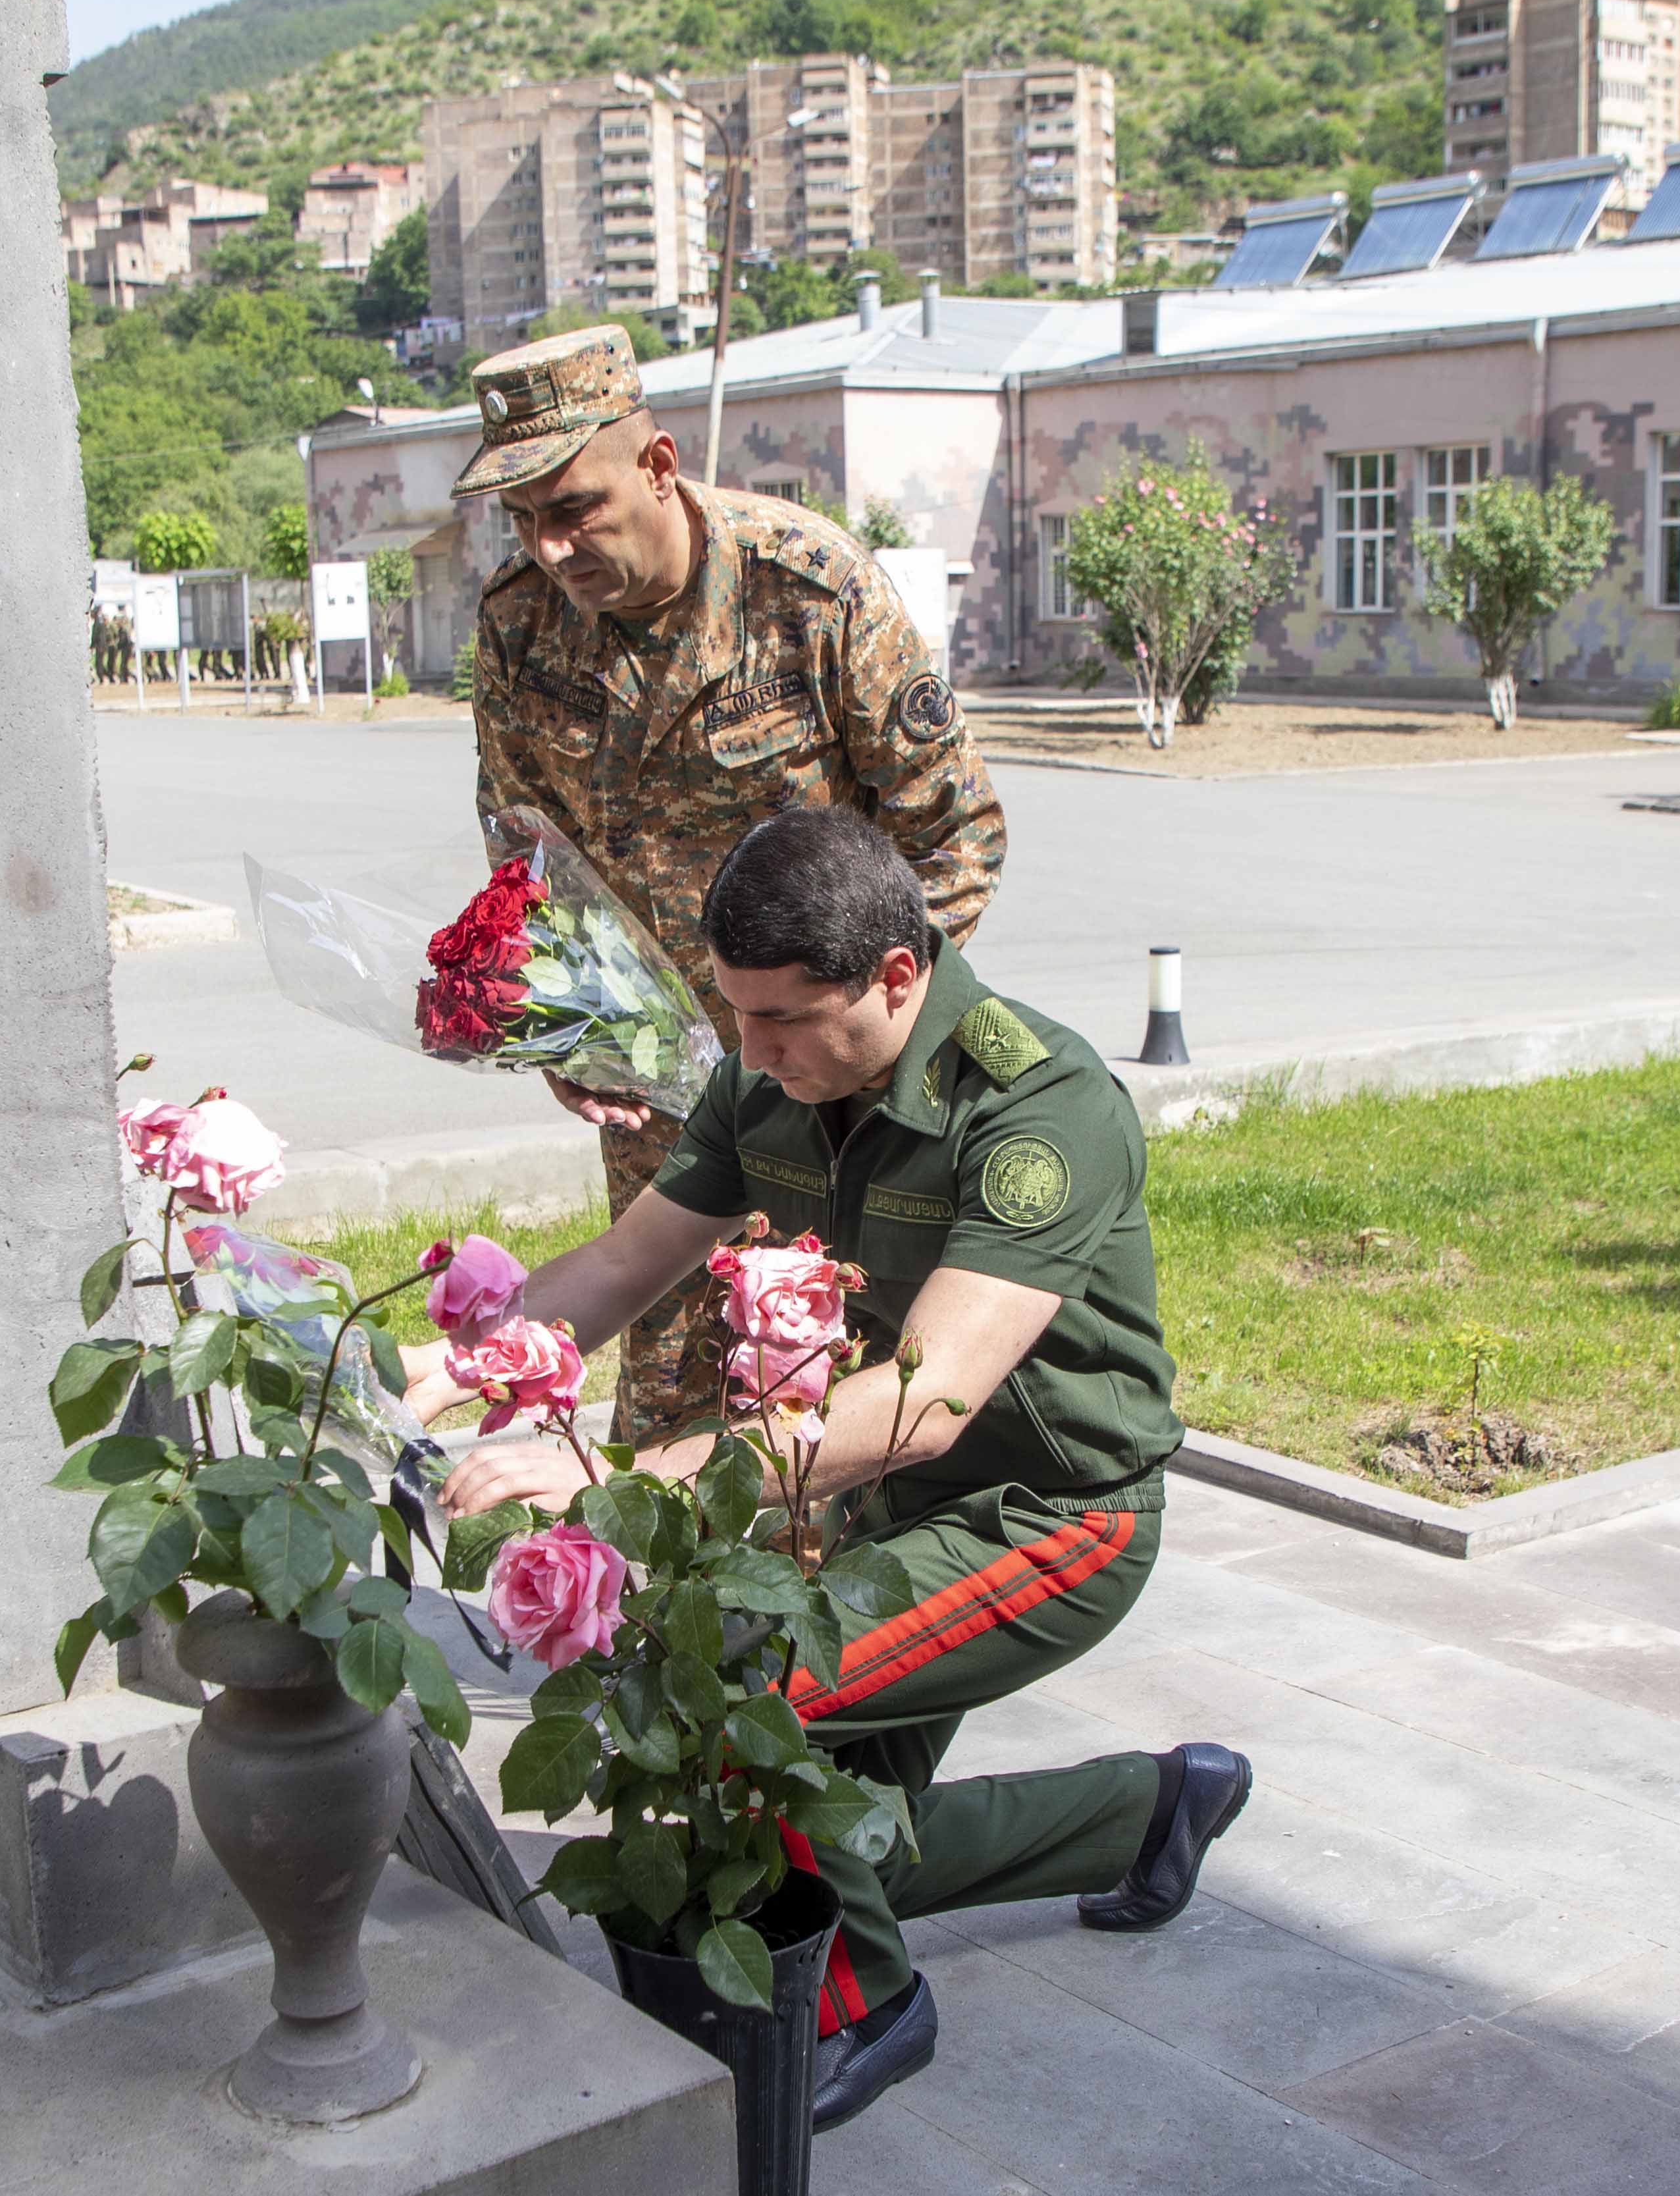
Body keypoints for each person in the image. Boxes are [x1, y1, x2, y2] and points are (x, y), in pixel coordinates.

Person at [417, 807, 1240, 2135]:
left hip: (1049, 1515)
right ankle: (1144, 1813)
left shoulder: (1039, 1107)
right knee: (806, 1834)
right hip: (887, 1505)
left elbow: (923, 1400)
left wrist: (629, 1477)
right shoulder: (773, 1082)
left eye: (781, 1019)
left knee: (745, 1707)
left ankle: (867, 2007)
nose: (748, 1052)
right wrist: (449, 1363)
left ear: (896, 976)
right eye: (734, 1012)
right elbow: (625, 1262)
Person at [454, 323, 1006, 1449]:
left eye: (573, 509)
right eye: (521, 519)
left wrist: (860, 1026)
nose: (550, 548)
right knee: (669, 1387)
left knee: (827, 1387)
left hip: (840, 1092)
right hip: (661, 1101)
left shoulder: (809, 590)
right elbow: (521, 856)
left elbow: (955, 833)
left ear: (657, 465)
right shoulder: (517, 623)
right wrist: (559, 1028)